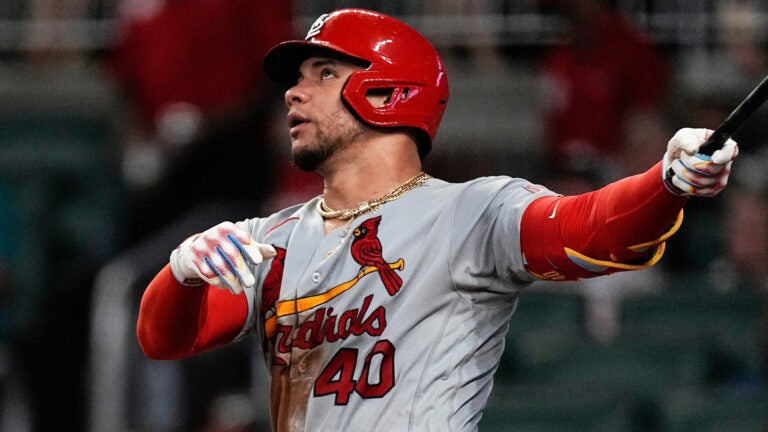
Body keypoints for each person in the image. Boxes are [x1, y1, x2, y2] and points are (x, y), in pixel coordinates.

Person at [135, 8, 739, 431]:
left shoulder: (466, 213)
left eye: (323, 74)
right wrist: (181, 273)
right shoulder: (274, 239)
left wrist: (665, 183)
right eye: (296, 79)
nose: (294, 92)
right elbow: (165, 339)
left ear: (389, 93)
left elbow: (591, 227)